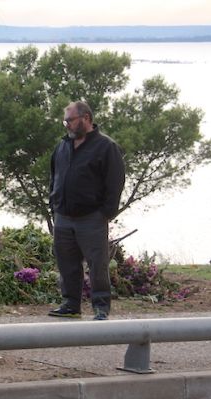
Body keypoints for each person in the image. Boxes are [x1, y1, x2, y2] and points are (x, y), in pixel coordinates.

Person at [48, 101, 125, 321]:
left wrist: (106, 213)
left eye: (70, 121)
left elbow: (115, 182)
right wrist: (53, 202)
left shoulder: (106, 146)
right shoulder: (62, 146)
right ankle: (71, 304)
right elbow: (54, 175)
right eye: (66, 121)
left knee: (97, 265)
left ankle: (101, 307)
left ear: (86, 118)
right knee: (67, 265)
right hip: (63, 216)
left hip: (92, 218)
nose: (67, 126)